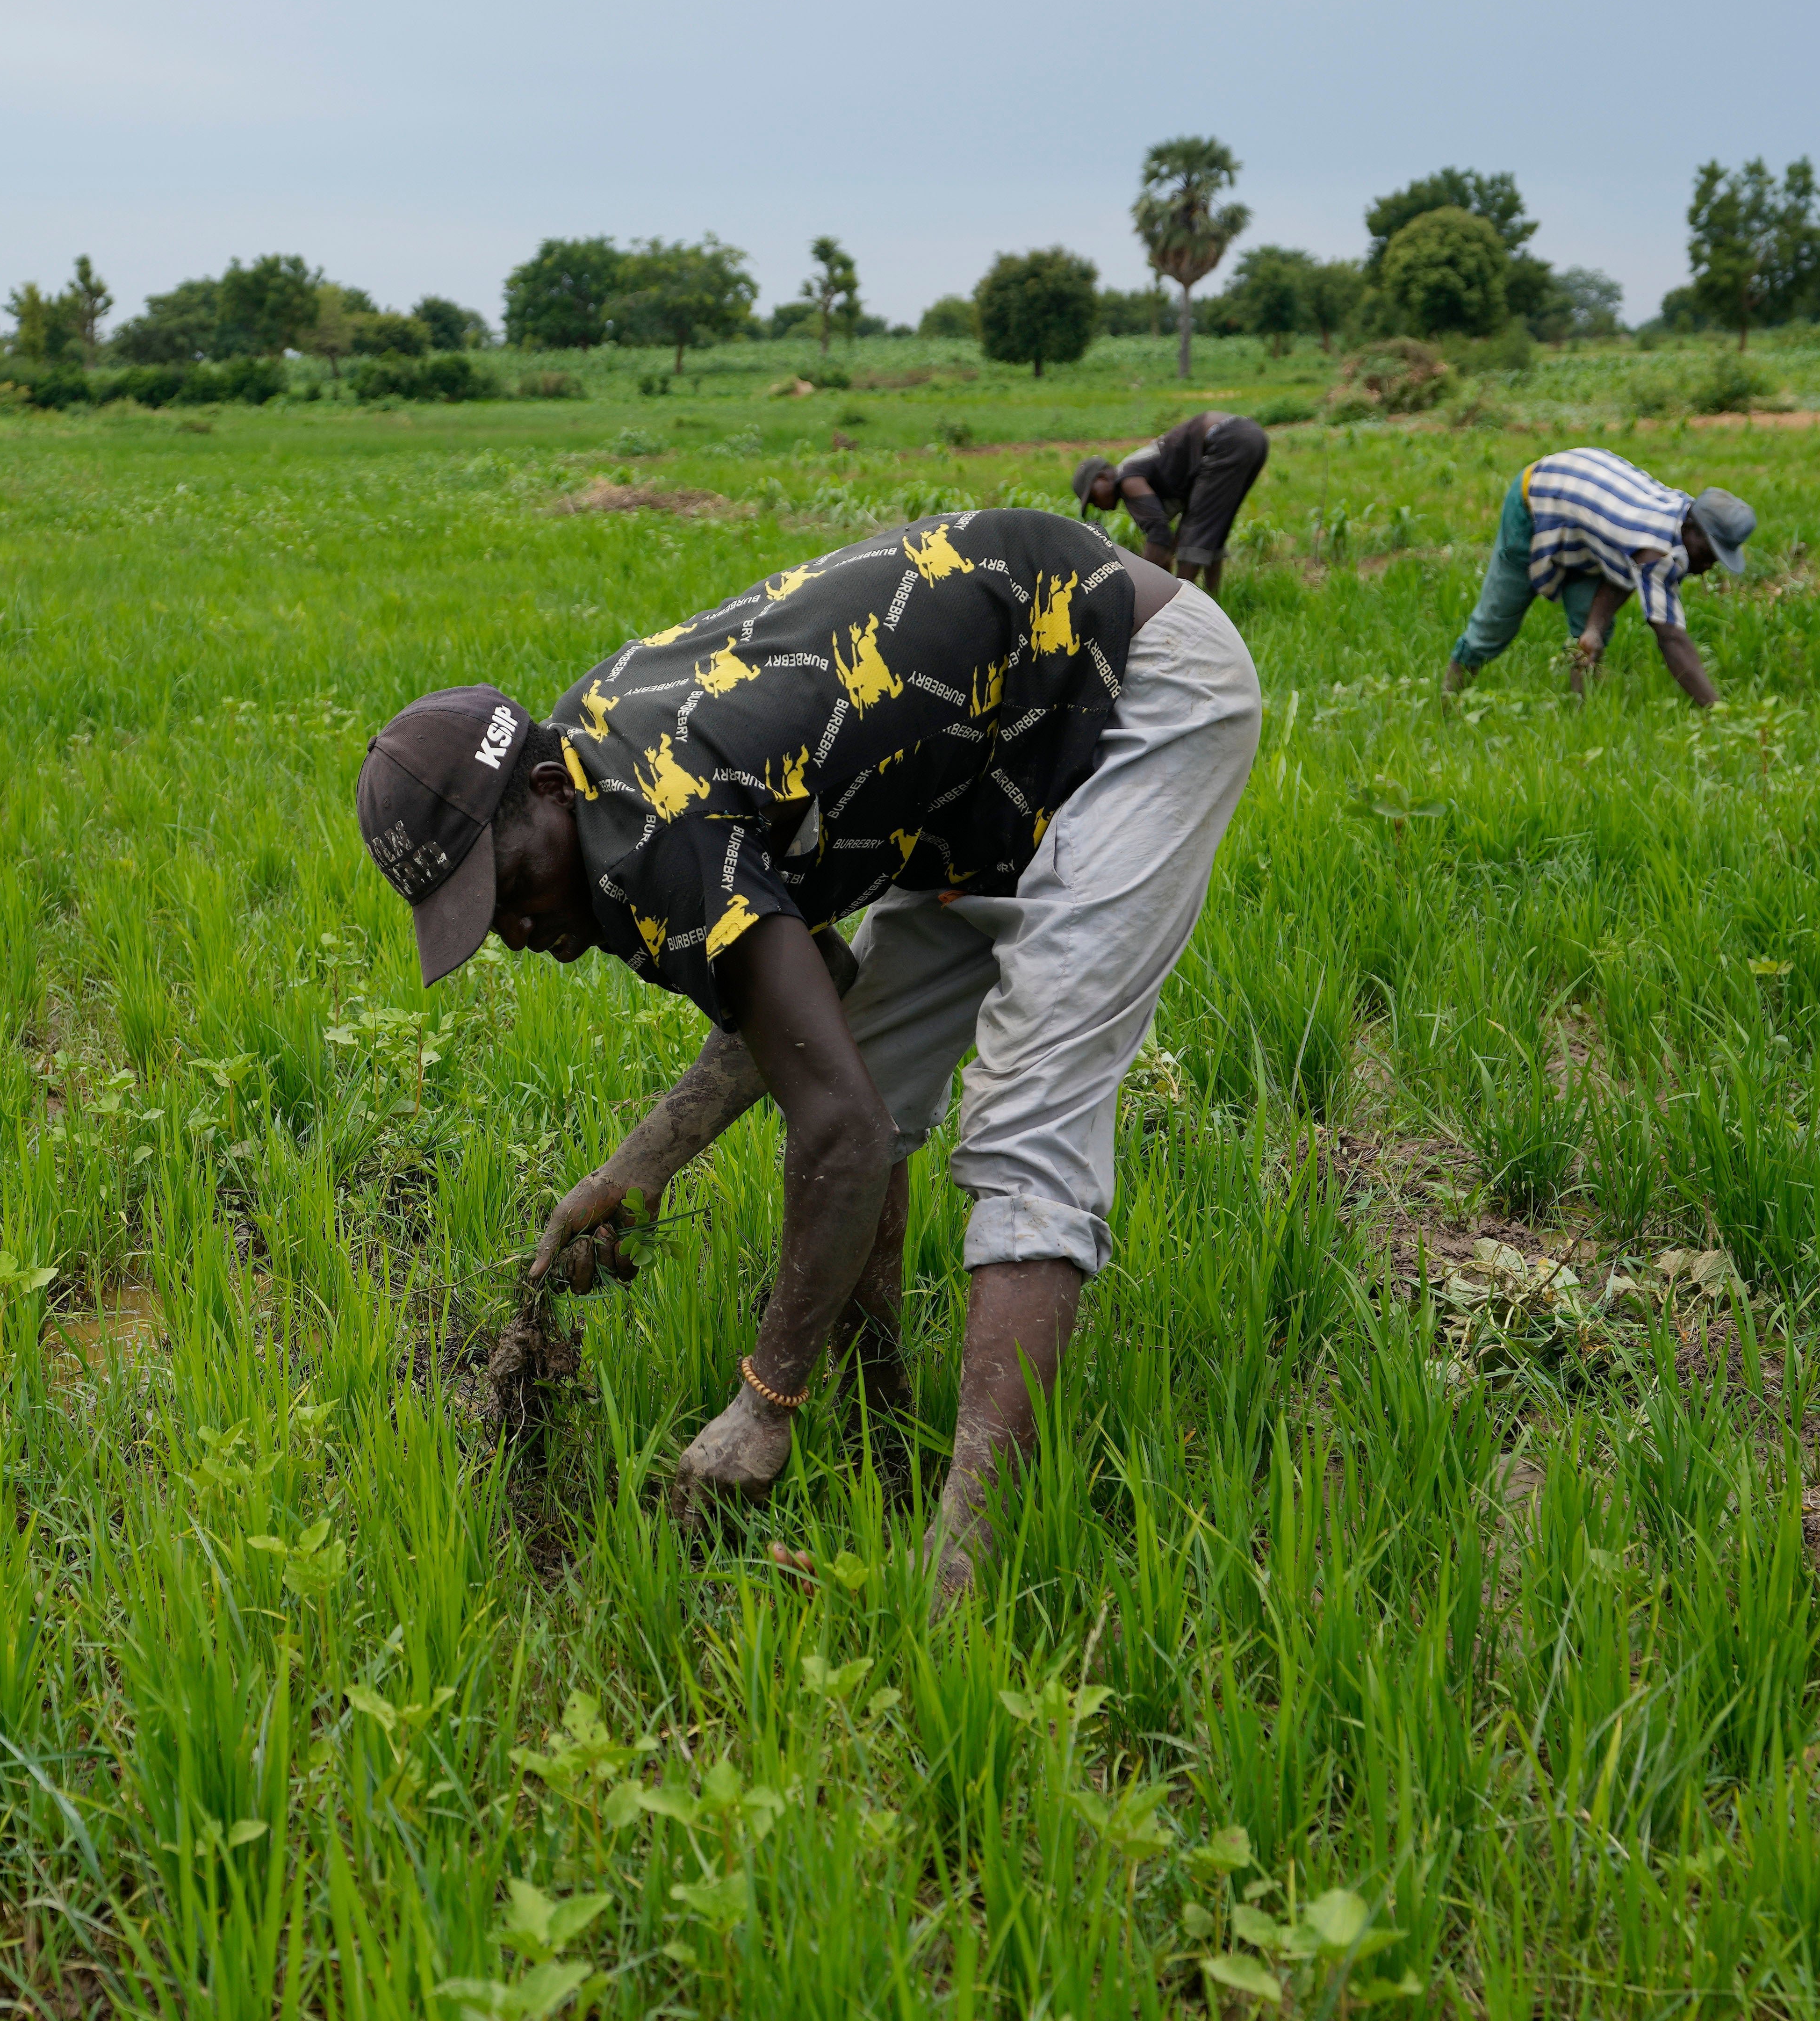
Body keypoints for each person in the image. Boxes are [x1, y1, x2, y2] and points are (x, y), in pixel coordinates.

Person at [354, 508, 1263, 1591]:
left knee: (1026, 1110)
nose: (512, 930)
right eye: (479, 917)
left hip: (1126, 685)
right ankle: (886, 1441)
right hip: (989, 760)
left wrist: (762, 1400)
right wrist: (637, 1166)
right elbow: (808, 1003)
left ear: (546, 792)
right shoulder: (599, 778)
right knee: (868, 1067)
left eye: (507, 888)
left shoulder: (650, 816)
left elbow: (837, 1125)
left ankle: (960, 1572)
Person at [1439, 446, 1753, 705]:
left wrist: (1593, 627)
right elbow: (1671, 637)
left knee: (1589, 632)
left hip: (1582, 518)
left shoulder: (1681, 514)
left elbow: (1626, 569)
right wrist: (1716, 710)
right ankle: (1448, 699)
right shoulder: (1654, 549)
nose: (1711, 564)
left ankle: (1579, 712)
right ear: (1690, 528)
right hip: (1537, 500)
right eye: (1710, 552)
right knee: (1497, 619)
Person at [1072, 409, 1269, 594]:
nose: (1095, 505)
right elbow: (1165, 542)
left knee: (1194, 533)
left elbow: (1159, 534)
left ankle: (1184, 606)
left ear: (1103, 479)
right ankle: (1214, 600)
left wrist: (1137, 588)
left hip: (1225, 439)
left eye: (1092, 497)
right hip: (1251, 435)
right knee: (1213, 529)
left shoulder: (1128, 480)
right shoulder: (1136, 470)